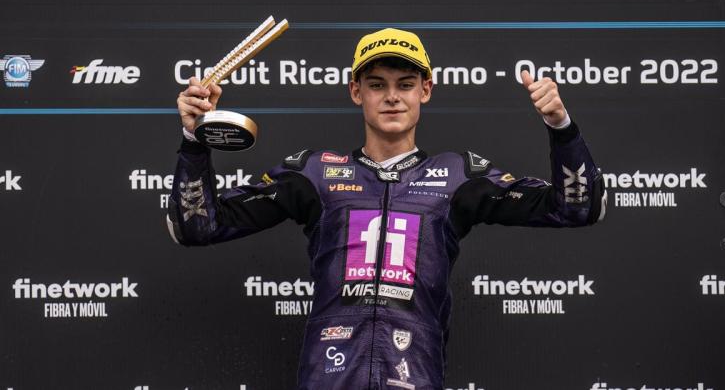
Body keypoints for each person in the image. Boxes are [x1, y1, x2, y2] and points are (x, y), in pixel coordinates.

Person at [167, 28, 607, 390]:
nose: (392, 97)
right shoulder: (315, 173)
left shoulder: (457, 175)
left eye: (405, 84)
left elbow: (578, 208)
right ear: (355, 91)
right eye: (377, 85)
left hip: (414, 374)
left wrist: (561, 127)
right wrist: (194, 141)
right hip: (329, 376)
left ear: (425, 90)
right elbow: (197, 227)